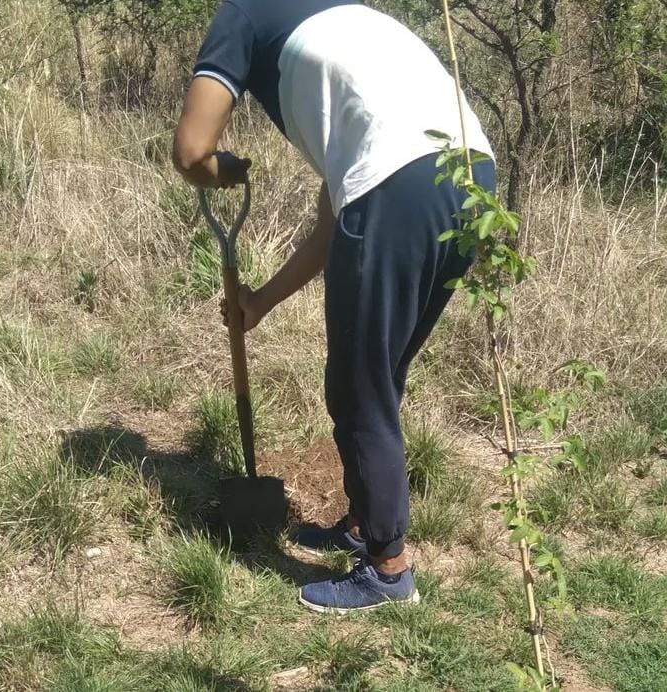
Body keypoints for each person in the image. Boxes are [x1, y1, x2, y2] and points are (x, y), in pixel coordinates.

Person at [173, 0, 496, 613]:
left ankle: (387, 568)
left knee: (358, 383)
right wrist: (261, 300)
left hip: (400, 183)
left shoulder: (242, 14)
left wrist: (229, 169)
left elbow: (191, 151)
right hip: (471, 174)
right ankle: (365, 521)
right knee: (378, 368)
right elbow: (336, 222)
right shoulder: (345, 28)